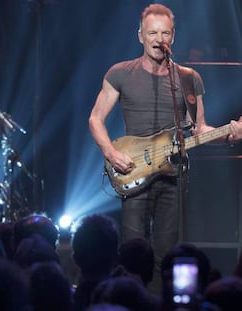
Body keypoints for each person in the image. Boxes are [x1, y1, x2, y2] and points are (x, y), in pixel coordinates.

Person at [88, 3, 242, 294]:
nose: (159, 39)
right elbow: (95, 118)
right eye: (152, 33)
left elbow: (199, 130)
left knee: (167, 255)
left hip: (173, 177)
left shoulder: (188, 78)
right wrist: (111, 153)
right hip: (133, 170)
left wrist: (230, 133)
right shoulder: (121, 73)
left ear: (173, 37)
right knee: (132, 252)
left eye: (165, 33)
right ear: (140, 36)